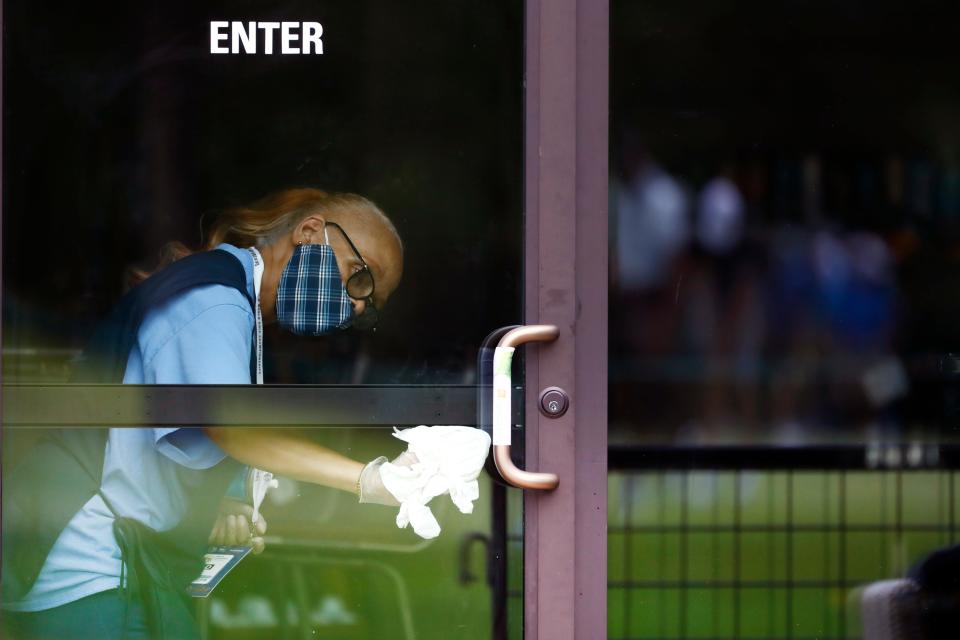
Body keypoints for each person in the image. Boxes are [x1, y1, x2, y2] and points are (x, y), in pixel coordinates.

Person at [1, 187, 408, 639]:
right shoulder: (214, 300)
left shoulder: (230, 298)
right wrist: (371, 479)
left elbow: (172, 437)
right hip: (94, 568)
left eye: (367, 306)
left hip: (125, 566)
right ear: (311, 232)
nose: (355, 304)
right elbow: (233, 428)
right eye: (359, 278)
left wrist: (225, 501)